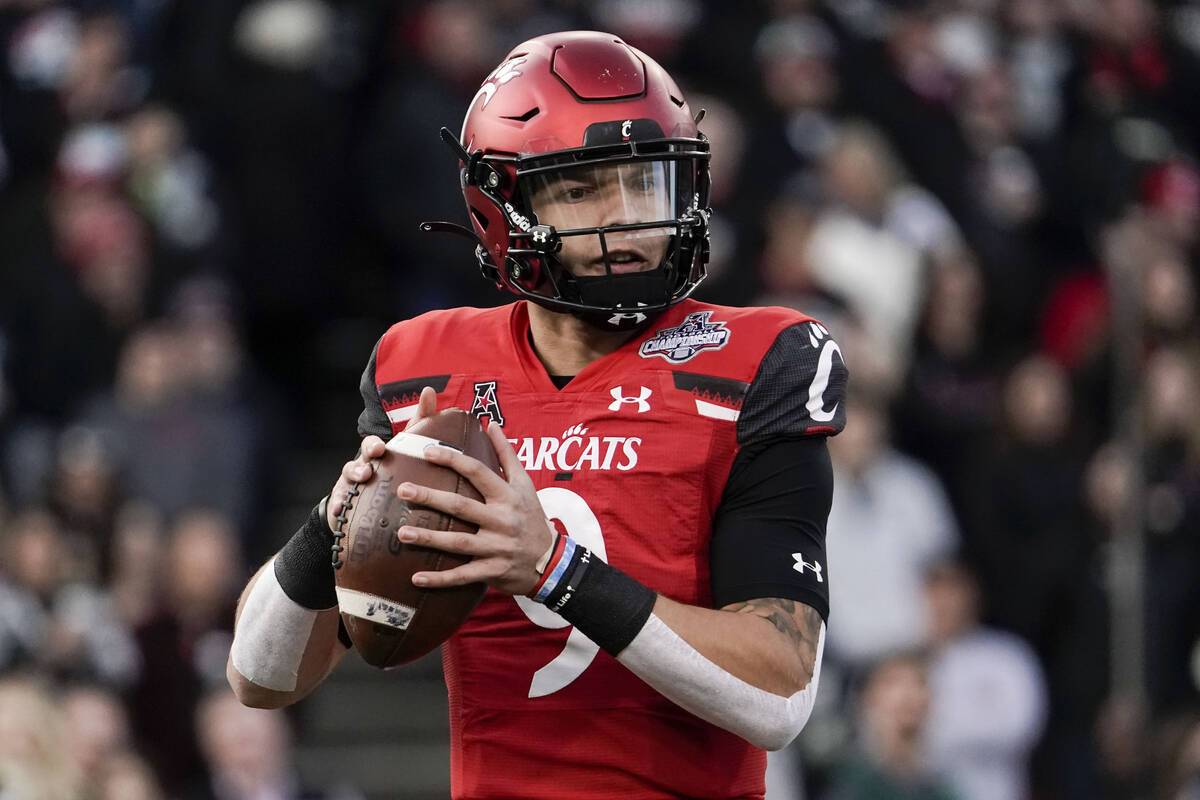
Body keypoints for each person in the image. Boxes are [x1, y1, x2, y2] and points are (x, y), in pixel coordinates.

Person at [227, 30, 847, 799]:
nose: (626, 220)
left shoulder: (757, 358)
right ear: (505, 206)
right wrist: (333, 519)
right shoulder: (421, 364)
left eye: (645, 181)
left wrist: (554, 569)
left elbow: (779, 696)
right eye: (585, 189)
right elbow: (261, 676)